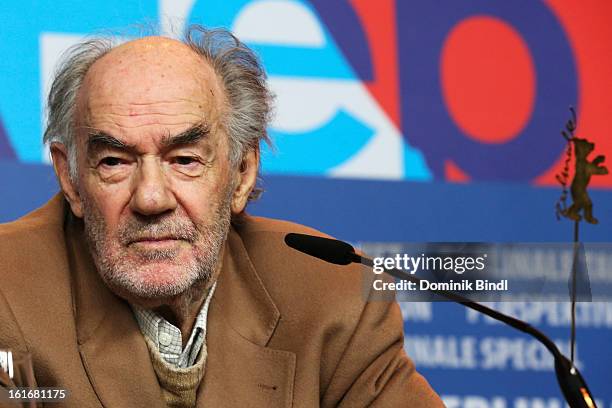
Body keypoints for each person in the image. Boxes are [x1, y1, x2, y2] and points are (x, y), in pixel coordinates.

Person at [0, 25, 443, 407]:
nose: (151, 198)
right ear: (71, 179)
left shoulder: (335, 297)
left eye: (185, 159)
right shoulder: (7, 290)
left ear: (242, 173)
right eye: (115, 161)